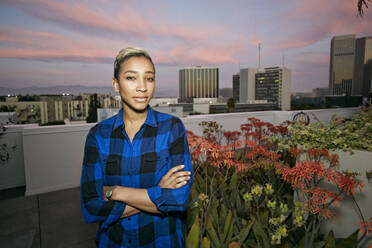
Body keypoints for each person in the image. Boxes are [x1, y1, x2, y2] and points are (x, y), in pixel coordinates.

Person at [80, 47, 193, 247]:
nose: (142, 87)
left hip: (162, 241)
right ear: (116, 84)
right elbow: (91, 207)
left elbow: (178, 198)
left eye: (149, 78)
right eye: (131, 78)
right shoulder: (98, 135)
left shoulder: (172, 128)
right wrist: (158, 192)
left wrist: (114, 191)